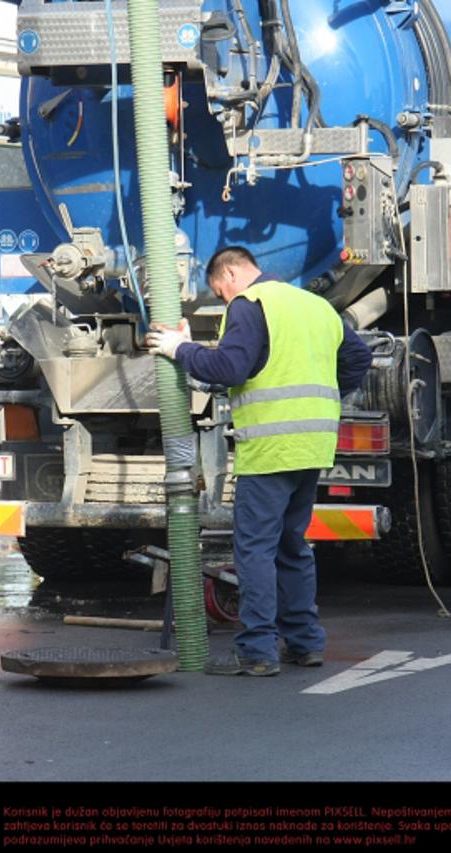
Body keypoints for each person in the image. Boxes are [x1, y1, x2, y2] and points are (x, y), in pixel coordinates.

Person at [147, 246, 372, 676]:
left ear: (230, 273)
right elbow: (358, 358)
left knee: (255, 550)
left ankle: (258, 650)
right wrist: (322, 398)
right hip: (312, 444)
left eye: (218, 292)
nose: (222, 300)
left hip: (270, 447)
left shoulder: (250, 305)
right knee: (293, 545)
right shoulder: (316, 305)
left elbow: (231, 368)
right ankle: (305, 643)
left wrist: (180, 348)